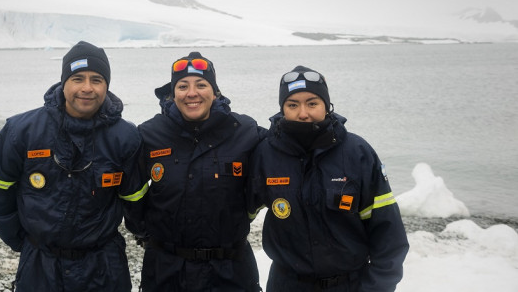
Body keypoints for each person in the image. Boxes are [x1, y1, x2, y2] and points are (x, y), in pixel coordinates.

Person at [0, 41, 148, 292]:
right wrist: (21, 240)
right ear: (64, 82)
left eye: (97, 80)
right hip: (40, 265)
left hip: (103, 266)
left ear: (107, 86)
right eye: (78, 78)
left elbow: (135, 198)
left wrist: (146, 234)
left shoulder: (125, 137)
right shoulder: (22, 131)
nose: (87, 88)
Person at [248, 65, 409, 292]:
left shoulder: (357, 152)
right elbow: (236, 216)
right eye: (293, 105)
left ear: (327, 106)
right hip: (287, 284)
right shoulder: (265, 153)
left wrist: (378, 286)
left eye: (312, 103)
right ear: (282, 109)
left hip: (349, 284)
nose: (303, 113)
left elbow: (388, 234)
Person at [130, 51, 265, 291]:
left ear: (215, 91)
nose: (192, 93)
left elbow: (286, 150)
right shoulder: (150, 134)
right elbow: (132, 192)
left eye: (201, 84)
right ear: (173, 94)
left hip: (231, 272)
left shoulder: (245, 131)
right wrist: (145, 233)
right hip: (166, 271)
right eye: (183, 86)